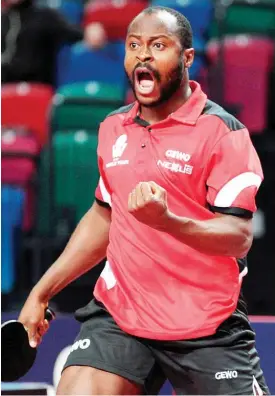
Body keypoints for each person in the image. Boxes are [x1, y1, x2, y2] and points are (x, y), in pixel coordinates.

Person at [18, 6, 270, 395]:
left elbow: (238, 235)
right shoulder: (114, 127)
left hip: (207, 323)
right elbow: (104, 217)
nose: (143, 55)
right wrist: (41, 292)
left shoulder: (222, 133)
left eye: (158, 45)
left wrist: (169, 221)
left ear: (187, 58)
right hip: (122, 315)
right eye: (134, 45)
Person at [1, 0, 107, 86]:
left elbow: (76, 33)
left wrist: (90, 32)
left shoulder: (45, 16)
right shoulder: (3, 19)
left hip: (36, 88)